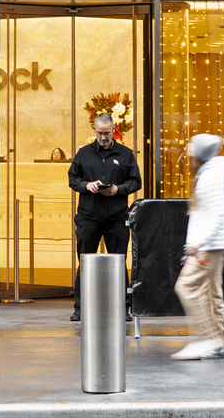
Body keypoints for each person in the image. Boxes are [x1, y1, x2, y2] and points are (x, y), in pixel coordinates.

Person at [68, 112, 142, 321]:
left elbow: (136, 182)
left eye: (107, 133)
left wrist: (118, 189)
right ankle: (80, 309)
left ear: (113, 130)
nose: (103, 137)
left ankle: (123, 309)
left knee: (119, 262)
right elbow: (73, 179)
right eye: (100, 133)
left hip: (116, 217)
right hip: (88, 217)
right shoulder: (83, 154)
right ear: (94, 130)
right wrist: (86, 185)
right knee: (84, 262)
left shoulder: (126, 154)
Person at [172, 134, 224, 360]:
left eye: (192, 145)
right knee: (210, 293)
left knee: (186, 287)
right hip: (210, 245)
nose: (187, 148)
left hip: (209, 246)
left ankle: (208, 337)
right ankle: (223, 341)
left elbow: (216, 213)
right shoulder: (211, 173)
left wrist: (199, 242)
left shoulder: (211, 177)